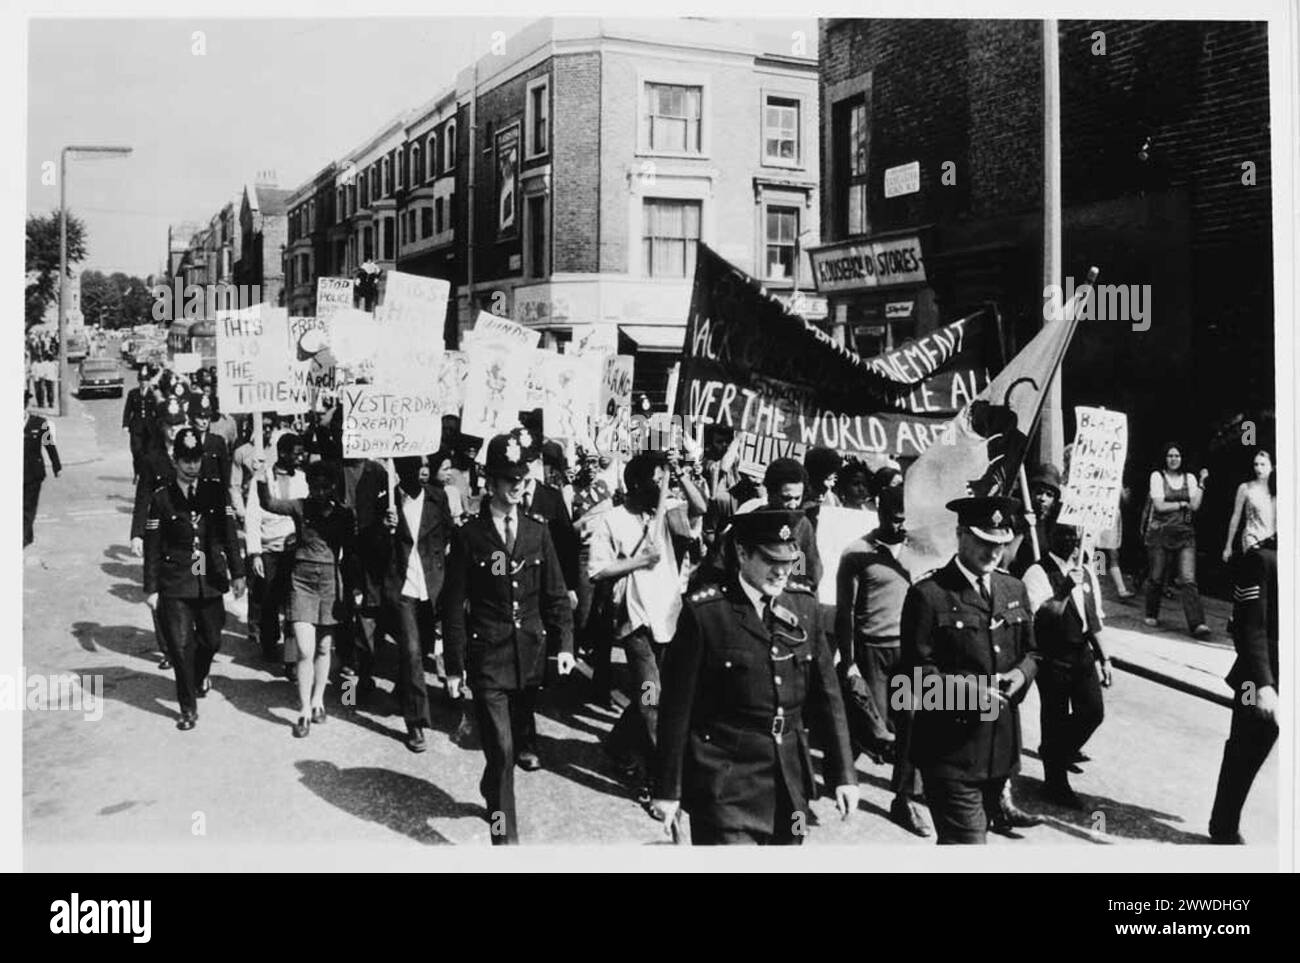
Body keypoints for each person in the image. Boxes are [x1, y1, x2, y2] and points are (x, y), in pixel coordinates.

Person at [652, 508, 859, 844]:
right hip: (725, 784)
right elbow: (676, 709)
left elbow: (828, 697)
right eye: (769, 560)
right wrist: (667, 790)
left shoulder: (803, 606)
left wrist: (843, 774)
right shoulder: (706, 614)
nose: (781, 571)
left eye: (788, 560)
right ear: (742, 553)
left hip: (789, 785)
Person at [443, 433, 575, 844]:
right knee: (501, 749)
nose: (517, 486)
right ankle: (506, 842)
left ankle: (491, 785)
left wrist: (566, 644)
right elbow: (452, 606)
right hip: (488, 658)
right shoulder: (470, 536)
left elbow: (555, 593)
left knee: (510, 746)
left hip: (529, 657)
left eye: (521, 478)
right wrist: (453, 666)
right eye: (507, 479)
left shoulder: (538, 531)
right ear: (491, 482)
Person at [900, 496, 1040, 844]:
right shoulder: (928, 595)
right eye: (984, 542)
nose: (994, 552)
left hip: (1001, 756)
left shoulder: (1013, 588)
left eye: (1001, 544)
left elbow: (1034, 652)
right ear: (961, 534)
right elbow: (914, 681)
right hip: (951, 756)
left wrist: (1020, 675)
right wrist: (974, 694)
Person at [587, 451, 686, 804]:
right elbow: (597, 570)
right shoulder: (613, 520)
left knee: (657, 691)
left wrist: (679, 470)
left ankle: (618, 744)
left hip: (669, 616)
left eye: (664, 479)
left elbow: (701, 509)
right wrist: (639, 562)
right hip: (635, 621)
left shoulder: (668, 511)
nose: (662, 486)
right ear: (637, 484)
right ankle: (658, 779)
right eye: (656, 479)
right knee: (651, 697)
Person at [835, 487, 931, 836]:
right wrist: (848, 661)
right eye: (894, 515)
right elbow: (844, 612)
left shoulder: (922, 552)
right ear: (878, 510)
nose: (900, 523)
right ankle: (841, 769)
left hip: (910, 650)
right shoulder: (856, 554)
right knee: (874, 728)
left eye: (906, 517)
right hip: (871, 649)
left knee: (912, 724)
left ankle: (905, 798)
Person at [142, 428, 246, 730]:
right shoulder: (162, 497)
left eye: (196, 459)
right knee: (180, 645)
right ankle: (187, 707)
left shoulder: (215, 491)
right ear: (176, 461)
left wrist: (238, 572)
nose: (192, 466)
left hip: (209, 577)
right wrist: (151, 588)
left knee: (212, 640)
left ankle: (199, 675)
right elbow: (152, 546)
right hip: (175, 581)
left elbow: (228, 533)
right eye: (186, 460)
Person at [257, 459, 357, 738]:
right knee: (304, 649)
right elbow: (269, 503)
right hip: (300, 582)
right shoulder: (299, 506)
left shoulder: (344, 515)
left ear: (333, 487)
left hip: (329, 584)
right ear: (309, 485)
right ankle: (303, 710)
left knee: (324, 648)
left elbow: (350, 556)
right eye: (315, 486)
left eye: (325, 487)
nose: (319, 492)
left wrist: (351, 592)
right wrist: (261, 475)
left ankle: (318, 701)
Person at [1021, 523, 1112, 810]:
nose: (1069, 540)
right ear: (1050, 535)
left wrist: (1105, 658)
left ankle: (1055, 752)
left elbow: (1093, 618)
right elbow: (1041, 618)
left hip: (1081, 653)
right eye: (1062, 533)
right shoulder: (1037, 572)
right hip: (1052, 655)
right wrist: (1062, 590)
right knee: (1055, 716)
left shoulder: (1087, 571)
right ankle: (1055, 783)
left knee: (1093, 712)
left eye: (1074, 534)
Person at [377, 455, 453, 752]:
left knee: (422, 650)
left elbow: (447, 532)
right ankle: (417, 722)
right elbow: (370, 545)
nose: (422, 469)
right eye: (415, 464)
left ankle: (404, 690)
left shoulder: (438, 497)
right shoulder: (388, 500)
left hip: (431, 585)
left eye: (425, 464)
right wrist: (386, 528)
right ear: (401, 467)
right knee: (410, 652)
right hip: (402, 586)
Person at [1209, 534, 1278, 844]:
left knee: (1261, 740)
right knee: (1246, 743)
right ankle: (1224, 824)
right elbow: (1249, 627)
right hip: (1256, 676)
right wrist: (1264, 684)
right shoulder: (1261, 559)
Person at [244, 433, 307, 666]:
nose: (300, 458)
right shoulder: (262, 479)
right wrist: (255, 553)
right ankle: (269, 643)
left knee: (293, 604)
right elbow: (252, 516)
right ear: (282, 453)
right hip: (269, 548)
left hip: (295, 550)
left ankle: (291, 657)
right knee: (269, 599)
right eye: (296, 453)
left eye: (302, 453)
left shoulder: (302, 478)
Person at [1143, 442, 1211, 639]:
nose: (1174, 459)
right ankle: (1151, 612)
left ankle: (1197, 623)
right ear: (1165, 458)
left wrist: (1202, 483)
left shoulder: (1189, 478)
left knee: (1188, 579)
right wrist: (1182, 503)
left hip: (1184, 533)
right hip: (1160, 533)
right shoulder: (1157, 476)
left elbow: (1195, 506)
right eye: (1170, 455)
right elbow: (1159, 505)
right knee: (1156, 576)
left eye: (1177, 456)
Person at [1221, 449, 1276, 563]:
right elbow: (1236, 517)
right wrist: (1228, 545)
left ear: (1271, 467)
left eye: (1263, 464)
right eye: (1256, 464)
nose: (1258, 468)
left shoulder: (1276, 490)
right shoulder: (1245, 488)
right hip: (1252, 539)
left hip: (1271, 541)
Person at [23, 389, 62, 548]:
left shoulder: (40, 423)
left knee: (28, 506)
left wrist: (56, 466)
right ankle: (27, 534)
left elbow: (49, 445)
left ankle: (22, 537)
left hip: (33, 473)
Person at [1009, 463, 1062, 578]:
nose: (1043, 498)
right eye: (1039, 492)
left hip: (1044, 583)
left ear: (1054, 501)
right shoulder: (1015, 518)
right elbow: (1006, 560)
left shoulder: (1054, 526)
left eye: (1049, 495)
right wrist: (1022, 529)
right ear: (1031, 493)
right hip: (1020, 579)